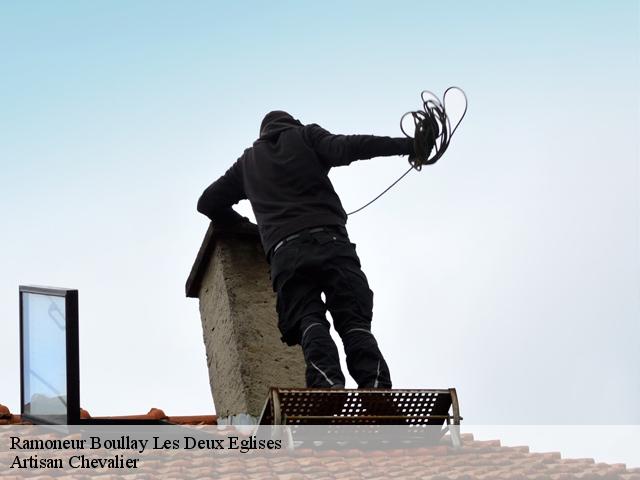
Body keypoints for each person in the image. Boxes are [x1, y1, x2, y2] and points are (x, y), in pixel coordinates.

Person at [197, 110, 416, 389]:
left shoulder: (247, 163)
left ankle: (326, 387)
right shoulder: (306, 136)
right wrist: (407, 145)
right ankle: (376, 390)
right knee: (353, 322)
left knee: (309, 320)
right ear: (293, 123)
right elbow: (351, 146)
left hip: (285, 254)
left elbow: (207, 203)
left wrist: (249, 228)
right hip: (332, 243)